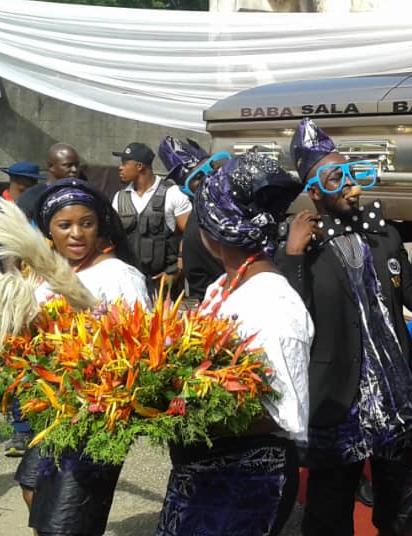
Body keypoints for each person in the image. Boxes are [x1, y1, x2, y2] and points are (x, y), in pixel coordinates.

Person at [277, 117, 412, 536]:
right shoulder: (300, 246)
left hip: (397, 399)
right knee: (329, 513)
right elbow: (292, 318)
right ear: (314, 191)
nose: (353, 188)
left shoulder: (381, 235)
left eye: (353, 176)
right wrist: (293, 258)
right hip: (338, 404)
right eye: (339, 180)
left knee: (401, 509)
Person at [154, 152, 312, 536]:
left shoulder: (272, 302)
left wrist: (177, 410)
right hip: (205, 467)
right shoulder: (221, 287)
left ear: (211, 231)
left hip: (248, 478)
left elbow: (285, 414)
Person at [15, 179, 149, 536]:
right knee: (32, 488)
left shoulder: (119, 275)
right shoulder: (47, 276)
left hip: (94, 412)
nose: (76, 233)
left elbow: (139, 345)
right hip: (53, 408)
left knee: (67, 521)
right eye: (65, 225)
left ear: (99, 226)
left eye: (86, 223)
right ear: (49, 231)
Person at [0, 161, 42, 457]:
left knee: (38, 360)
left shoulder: (35, 203)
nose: (29, 185)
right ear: (13, 179)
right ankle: (20, 429)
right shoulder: (0, 207)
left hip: (37, 289)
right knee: (15, 361)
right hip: (10, 292)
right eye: (25, 181)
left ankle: (39, 421)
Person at [156, 136, 226, 302]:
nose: (210, 177)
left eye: (212, 167)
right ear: (186, 190)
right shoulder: (202, 228)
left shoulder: (224, 212)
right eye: (199, 177)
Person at [111, 142, 185, 294]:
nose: (120, 167)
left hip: (162, 284)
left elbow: (190, 236)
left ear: (139, 166)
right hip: (129, 283)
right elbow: (111, 239)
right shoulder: (120, 198)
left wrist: (177, 271)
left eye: (125, 163)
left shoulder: (172, 193)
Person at [15, 143, 82, 220]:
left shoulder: (85, 193)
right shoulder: (32, 197)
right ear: (51, 166)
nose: (74, 170)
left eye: (77, 165)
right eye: (68, 165)